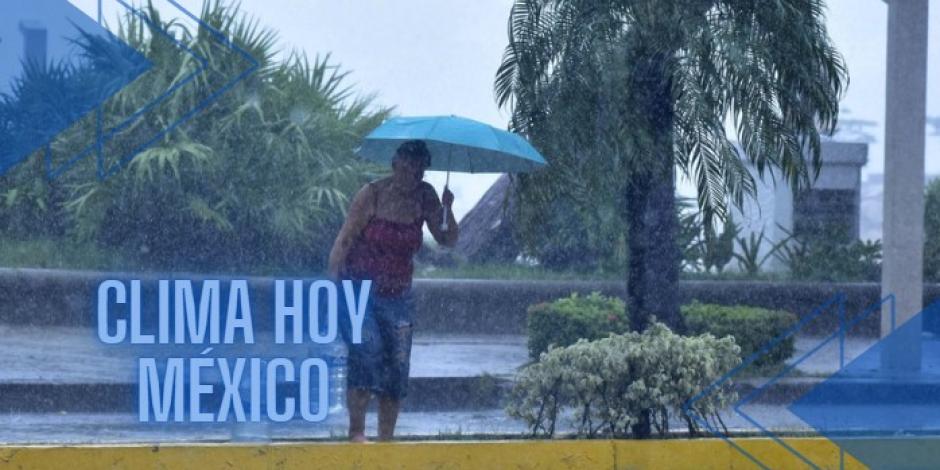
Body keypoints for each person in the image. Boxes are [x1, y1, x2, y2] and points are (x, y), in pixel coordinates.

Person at [328, 139, 458, 442]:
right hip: (357, 289)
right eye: (409, 166)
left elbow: (446, 240)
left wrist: (447, 210)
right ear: (395, 164)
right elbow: (345, 240)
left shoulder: (425, 197)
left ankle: (386, 438)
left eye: (421, 168)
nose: (415, 173)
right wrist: (331, 283)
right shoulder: (371, 194)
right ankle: (356, 432)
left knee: (397, 364)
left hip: (398, 294)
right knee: (365, 352)